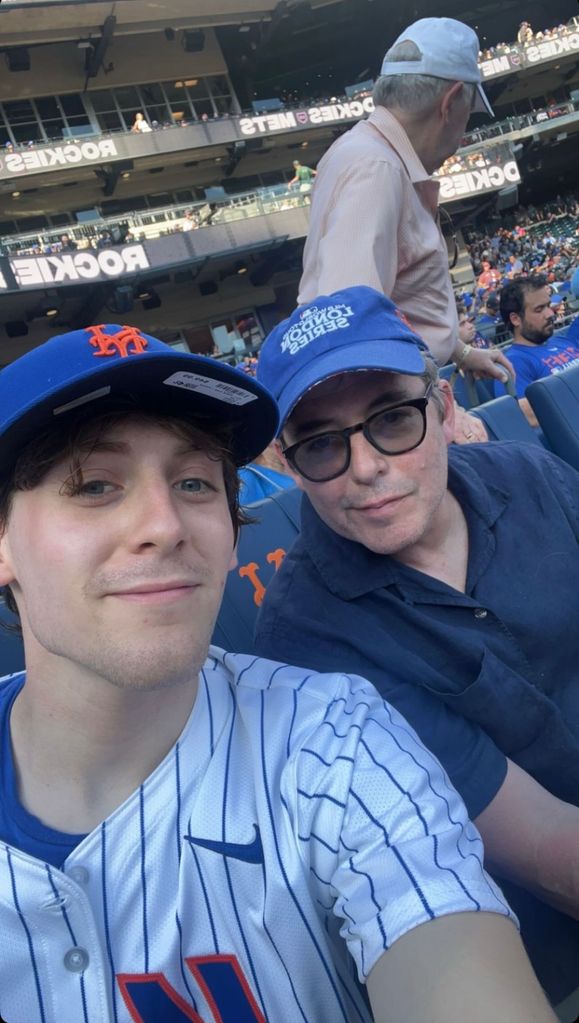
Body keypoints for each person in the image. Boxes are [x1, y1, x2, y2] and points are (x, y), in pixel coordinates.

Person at [0, 323, 553, 1023]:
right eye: (94, 484)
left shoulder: (337, 741)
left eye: (195, 481)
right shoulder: (316, 629)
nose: (165, 523)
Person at [255, 285, 579, 1018]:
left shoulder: (529, 477)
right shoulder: (308, 645)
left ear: (440, 407)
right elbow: (550, 852)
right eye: (322, 443)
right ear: (287, 461)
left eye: (392, 418)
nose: (365, 467)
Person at [298, 17, 512, 389]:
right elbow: (353, 334)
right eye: (466, 116)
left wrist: (461, 353)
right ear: (449, 104)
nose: (462, 137)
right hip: (397, 402)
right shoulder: (376, 168)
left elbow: (402, 300)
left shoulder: (368, 153)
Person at [493, 274, 579, 425]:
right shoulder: (512, 363)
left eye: (548, 305)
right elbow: (519, 414)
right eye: (539, 309)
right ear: (515, 319)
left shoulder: (562, 341)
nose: (550, 314)